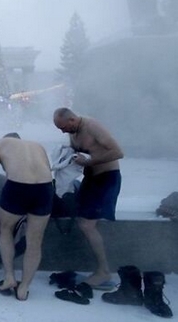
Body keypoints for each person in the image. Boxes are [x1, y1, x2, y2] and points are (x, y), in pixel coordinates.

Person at [53, 107, 124, 287]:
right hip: (90, 178)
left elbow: (118, 152)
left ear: (72, 120)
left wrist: (89, 161)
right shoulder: (73, 130)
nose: (62, 131)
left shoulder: (92, 126)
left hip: (106, 179)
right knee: (78, 217)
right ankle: (99, 269)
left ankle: (104, 272)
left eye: (63, 127)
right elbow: (77, 154)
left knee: (87, 224)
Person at [0, 132, 54, 301]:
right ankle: (24, 288)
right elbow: (46, 170)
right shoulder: (37, 145)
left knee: (5, 230)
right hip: (44, 189)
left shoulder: (0, 143)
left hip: (17, 188)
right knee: (35, 241)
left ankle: (9, 278)